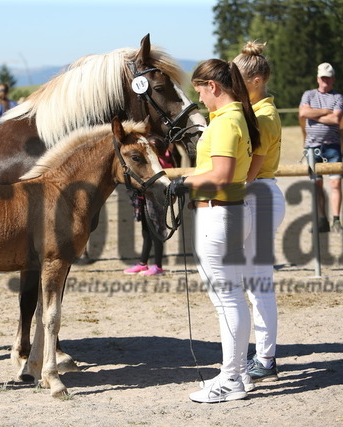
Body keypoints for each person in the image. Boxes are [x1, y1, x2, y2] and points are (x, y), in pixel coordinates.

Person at [168, 59, 260, 403]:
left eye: (200, 91)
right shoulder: (235, 118)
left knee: (227, 300)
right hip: (231, 209)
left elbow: (221, 174)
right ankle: (236, 373)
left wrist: (185, 183)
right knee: (230, 298)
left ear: (214, 87)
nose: (201, 99)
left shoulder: (225, 123)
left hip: (219, 212)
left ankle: (232, 377)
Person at [233, 41, 285, 386]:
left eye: (237, 79)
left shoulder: (264, 117)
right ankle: (263, 356)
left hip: (257, 195)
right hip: (257, 196)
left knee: (256, 285)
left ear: (254, 81)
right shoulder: (256, 113)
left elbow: (252, 169)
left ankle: (264, 357)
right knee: (253, 284)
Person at [299, 63, 343, 233]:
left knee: (335, 183)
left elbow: (336, 119)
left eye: (328, 78)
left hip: (332, 146)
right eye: (323, 78)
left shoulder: (338, 97)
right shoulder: (308, 95)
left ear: (333, 79)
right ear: (318, 78)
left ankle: (336, 220)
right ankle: (321, 219)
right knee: (317, 185)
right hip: (312, 147)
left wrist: (315, 114)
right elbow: (303, 114)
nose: (325, 81)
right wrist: (326, 111)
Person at [123, 143, 173, 276]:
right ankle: (143, 263)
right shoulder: (151, 160)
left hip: (155, 199)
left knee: (157, 231)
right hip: (143, 198)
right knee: (146, 231)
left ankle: (158, 266)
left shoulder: (161, 161)